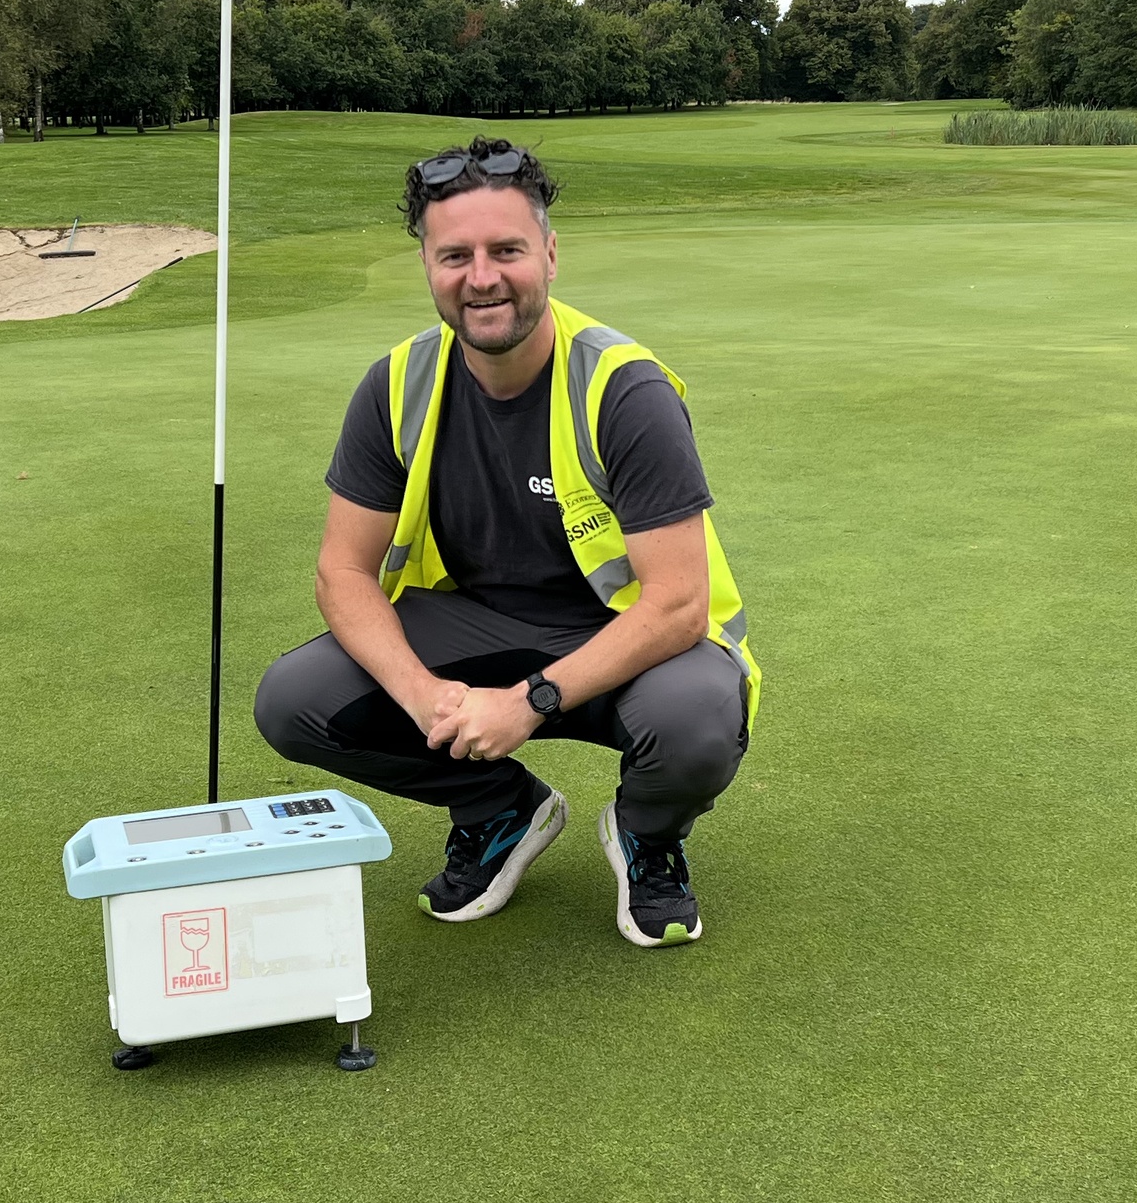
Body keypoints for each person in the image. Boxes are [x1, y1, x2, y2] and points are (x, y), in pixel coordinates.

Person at [253, 138, 761, 947]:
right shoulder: (396, 384)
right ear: (427, 263)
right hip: (474, 626)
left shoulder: (624, 388)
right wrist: (424, 696)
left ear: (551, 256)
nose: (481, 277)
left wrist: (531, 702)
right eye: (455, 254)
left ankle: (648, 837)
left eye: (507, 251)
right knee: (295, 701)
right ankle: (502, 813)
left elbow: (677, 602)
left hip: (620, 635)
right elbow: (342, 572)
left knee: (696, 719)